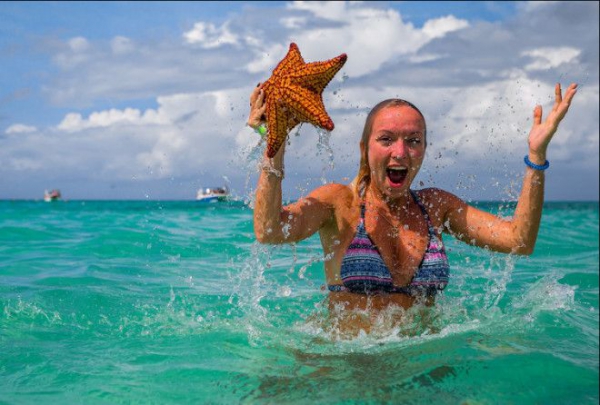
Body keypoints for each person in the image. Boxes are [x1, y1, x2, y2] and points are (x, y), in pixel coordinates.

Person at [247, 82, 578, 334]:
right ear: (365, 149)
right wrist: (273, 145)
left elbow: (518, 241)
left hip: (422, 364)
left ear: (424, 148)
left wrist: (536, 157)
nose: (401, 153)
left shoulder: (436, 205)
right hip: (347, 365)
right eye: (387, 139)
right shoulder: (339, 203)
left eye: (414, 141)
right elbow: (269, 231)